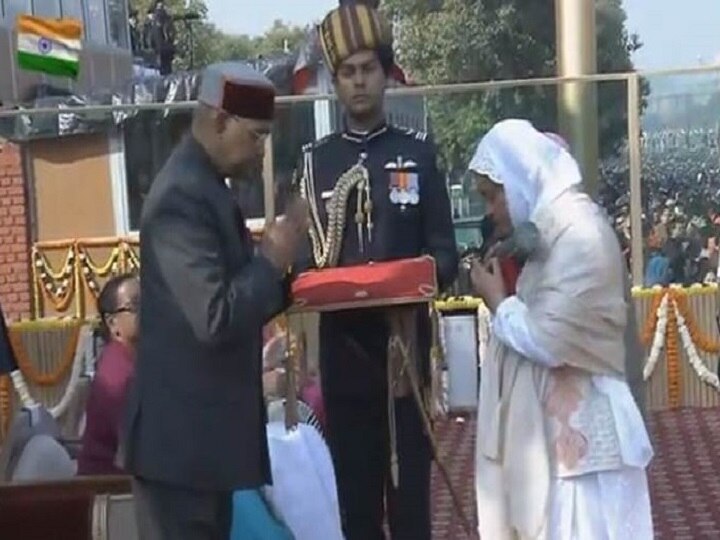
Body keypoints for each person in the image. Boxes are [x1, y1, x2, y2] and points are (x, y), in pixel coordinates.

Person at [123, 62, 309, 540]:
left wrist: (291, 276)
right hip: (180, 453)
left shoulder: (204, 188)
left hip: (198, 453)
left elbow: (232, 297)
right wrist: (269, 261)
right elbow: (214, 316)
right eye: (256, 136)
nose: (261, 151)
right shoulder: (181, 198)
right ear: (220, 120)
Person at [293, 4, 458, 539]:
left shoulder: (418, 154)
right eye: (348, 72)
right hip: (345, 360)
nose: (359, 81)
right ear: (335, 81)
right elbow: (304, 260)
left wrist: (406, 282)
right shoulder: (316, 163)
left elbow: (446, 256)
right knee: (356, 513)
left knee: (410, 510)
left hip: (404, 355)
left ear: (386, 74)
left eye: (368, 68)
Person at [469, 119, 654, 539]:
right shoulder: (552, 229)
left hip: (586, 453)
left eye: (493, 196)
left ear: (519, 176)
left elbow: (549, 340)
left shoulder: (580, 233)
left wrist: (499, 303)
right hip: (553, 445)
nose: (491, 210)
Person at [77, 274, 139, 475]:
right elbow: (136, 448)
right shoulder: (116, 375)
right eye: (136, 305)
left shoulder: (139, 361)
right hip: (108, 491)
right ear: (112, 324)